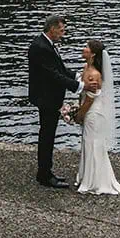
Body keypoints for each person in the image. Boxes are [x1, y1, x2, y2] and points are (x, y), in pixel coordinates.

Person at [67, 39, 120, 195]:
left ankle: (95, 180)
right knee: (88, 143)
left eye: (86, 47)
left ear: (92, 53)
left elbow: (91, 97)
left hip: (93, 112)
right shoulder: (86, 68)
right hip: (88, 109)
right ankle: (88, 176)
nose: (83, 49)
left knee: (92, 143)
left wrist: (80, 114)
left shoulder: (93, 74)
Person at [26, 15, 79, 188]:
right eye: (61, 30)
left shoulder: (45, 45)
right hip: (46, 98)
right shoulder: (41, 47)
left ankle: (46, 172)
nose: (62, 34)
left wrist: (78, 75)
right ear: (52, 28)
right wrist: (77, 86)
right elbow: (52, 74)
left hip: (48, 97)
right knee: (47, 136)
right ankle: (44, 174)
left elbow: (60, 69)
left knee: (48, 134)